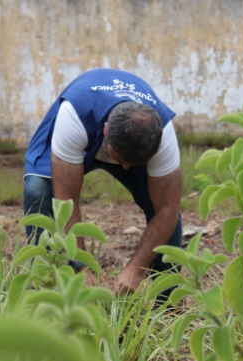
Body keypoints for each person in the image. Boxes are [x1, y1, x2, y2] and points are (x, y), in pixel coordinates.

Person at [23, 68, 182, 296]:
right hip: (84, 126)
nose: (125, 168)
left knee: (165, 209)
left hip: (128, 144)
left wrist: (135, 269)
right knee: (37, 190)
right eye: (120, 159)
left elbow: (168, 209)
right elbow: (66, 200)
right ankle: (46, 284)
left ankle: (167, 299)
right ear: (105, 131)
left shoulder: (162, 134)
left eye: (133, 163)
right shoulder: (74, 116)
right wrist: (81, 265)